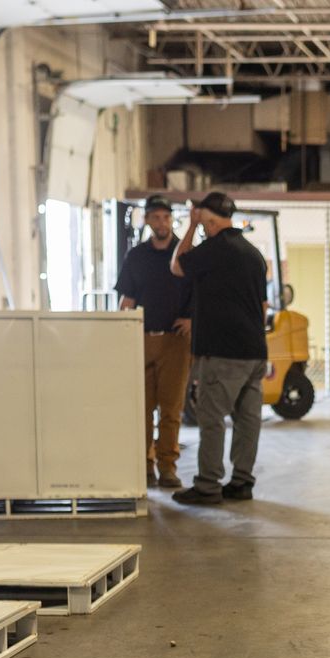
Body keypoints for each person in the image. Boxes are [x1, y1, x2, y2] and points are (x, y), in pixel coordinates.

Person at [169, 191, 269, 505]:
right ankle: (241, 482)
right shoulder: (253, 253)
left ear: (210, 221)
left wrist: (189, 225)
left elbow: (176, 265)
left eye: (204, 223)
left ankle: (208, 485)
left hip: (224, 352)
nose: (203, 229)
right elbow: (263, 307)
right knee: (247, 420)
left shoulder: (215, 249)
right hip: (255, 351)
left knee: (211, 419)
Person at [115, 195, 194, 490]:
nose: (161, 223)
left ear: (171, 220)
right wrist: (121, 330)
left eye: (166, 217)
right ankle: (145, 466)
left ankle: (168, 467)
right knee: (142, 409)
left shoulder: (185, 254)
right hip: (142, 338)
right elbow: (127, 299)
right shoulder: (137, 257)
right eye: (155, 217)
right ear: (147, 220)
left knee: (171, 409)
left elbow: (202, 292)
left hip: (176, 341)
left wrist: (192, 318)